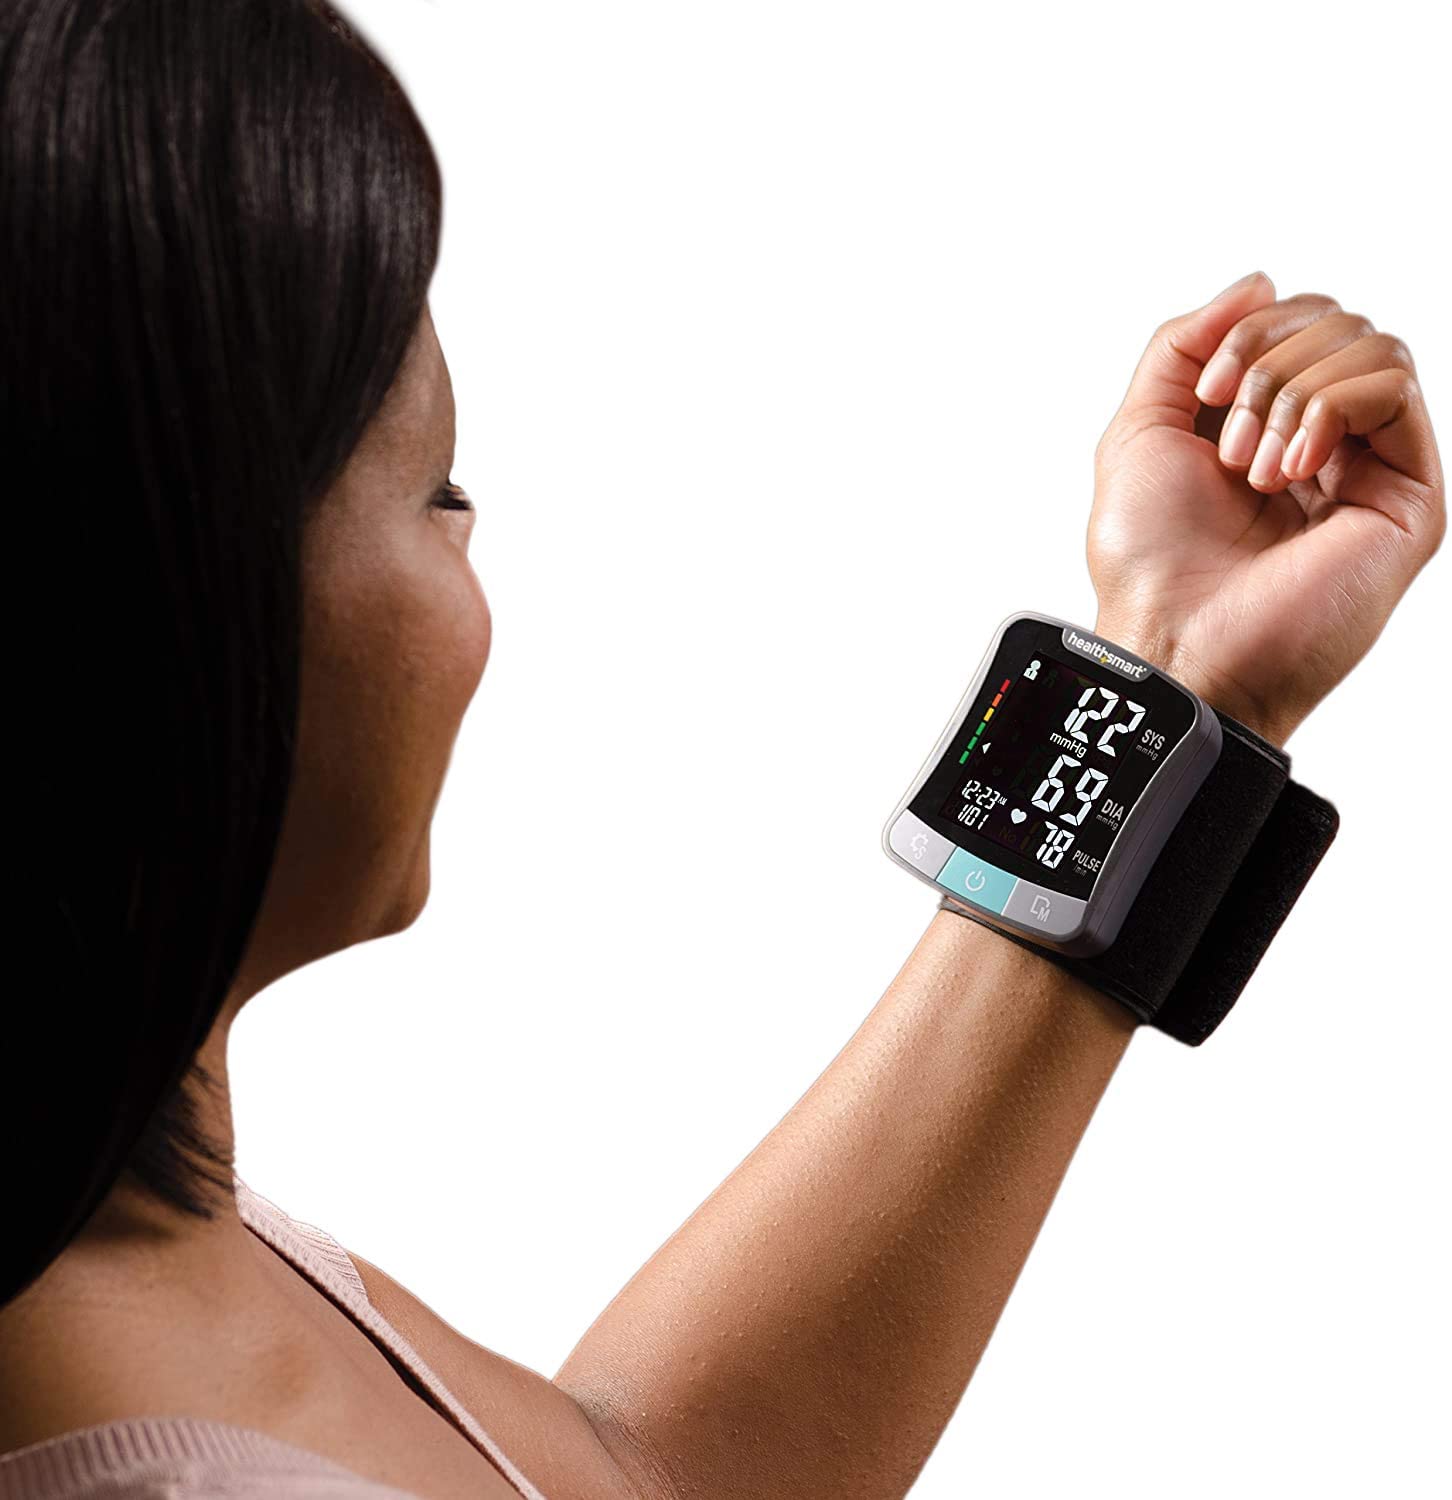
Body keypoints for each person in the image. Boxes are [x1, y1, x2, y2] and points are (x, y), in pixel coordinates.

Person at [1, 3, 1443, 1498]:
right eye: (440, 489)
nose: (476, 543)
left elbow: (652, 1475)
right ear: (163, 604)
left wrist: (1178, 667)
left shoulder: (110, 1234)